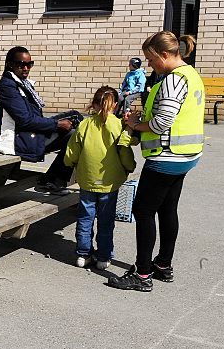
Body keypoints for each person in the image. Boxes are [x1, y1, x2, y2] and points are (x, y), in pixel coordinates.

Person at [108, 32, 204, 292]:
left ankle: (142, 274)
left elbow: (161, 123)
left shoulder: (172, 80)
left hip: (166, 157)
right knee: (167, 209)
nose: (149, 64)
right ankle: (163, 264)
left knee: (143, 211)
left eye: (151, 59)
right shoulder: (191, 74)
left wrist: (135, 124)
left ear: (164, 55)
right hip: (186, 155)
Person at [64, 86, 135, 270]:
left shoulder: (85, 124)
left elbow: (72, 152)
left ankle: (83, 254)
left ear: (94, 104)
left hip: (87, 179)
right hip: (110, 182)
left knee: (85, 218)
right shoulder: (118, 125)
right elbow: (124, 151)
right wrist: (130, 166)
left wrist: (70, 162)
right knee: (106, 220)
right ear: (116, 105)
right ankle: (103, 256)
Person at [0, 46, 77, 192]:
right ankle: (51, 180)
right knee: (74, 136)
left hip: (24, 133)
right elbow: (25, 120)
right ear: (10, 64)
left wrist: (56, 124)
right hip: (13, 140)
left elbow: (32, 117)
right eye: (21, 64)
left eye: (29, 64)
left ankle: (54, 179)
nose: (26, 68)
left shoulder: (22, 83)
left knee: (76, 118)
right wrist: (56, 124)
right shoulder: (8, 87)